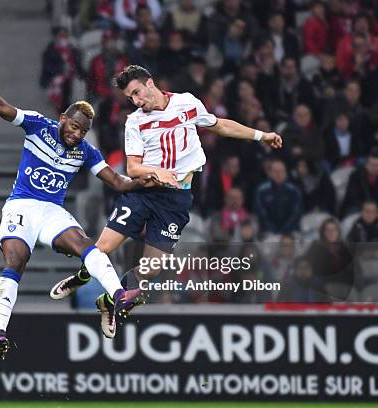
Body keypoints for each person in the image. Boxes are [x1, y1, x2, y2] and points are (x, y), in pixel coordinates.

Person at [50, 65, 282, 337]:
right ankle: (80, 278)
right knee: (103, 247)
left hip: (176, 200)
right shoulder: (136, 121)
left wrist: (261, 135)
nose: (136, 101)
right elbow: (133, 167)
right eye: (130, 97)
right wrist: (156, 172)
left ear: (150, 83)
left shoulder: (186, 103)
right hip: (143, 193)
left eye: (137, 92)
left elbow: (220, 126)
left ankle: (110, 302)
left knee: (152, 268)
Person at [0, 71, 155, 360]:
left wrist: (140, 182)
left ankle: (119, 295)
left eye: (82, 131)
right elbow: (1, 107)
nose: (76, 134)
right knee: (16, 262)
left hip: (51, 212)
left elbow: (117, 182)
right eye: (73, 126)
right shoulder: (37, 126)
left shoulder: (85, 151)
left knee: (87, 247)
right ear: (62, 118)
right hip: (21, 206)